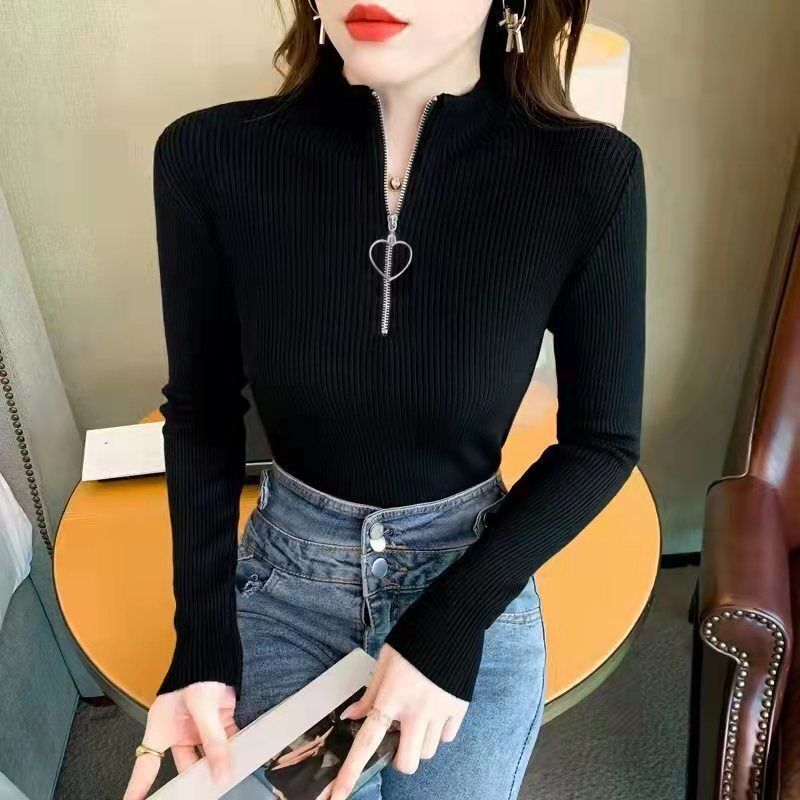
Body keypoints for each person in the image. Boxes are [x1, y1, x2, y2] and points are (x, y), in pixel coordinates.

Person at [124, 0, 646, 797]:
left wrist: (451, 621)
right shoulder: (209, 154)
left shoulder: (591, 172)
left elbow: (601, 443)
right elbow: (202, 409)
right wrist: (200, 641)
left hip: (470, 569)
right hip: (286, 581)